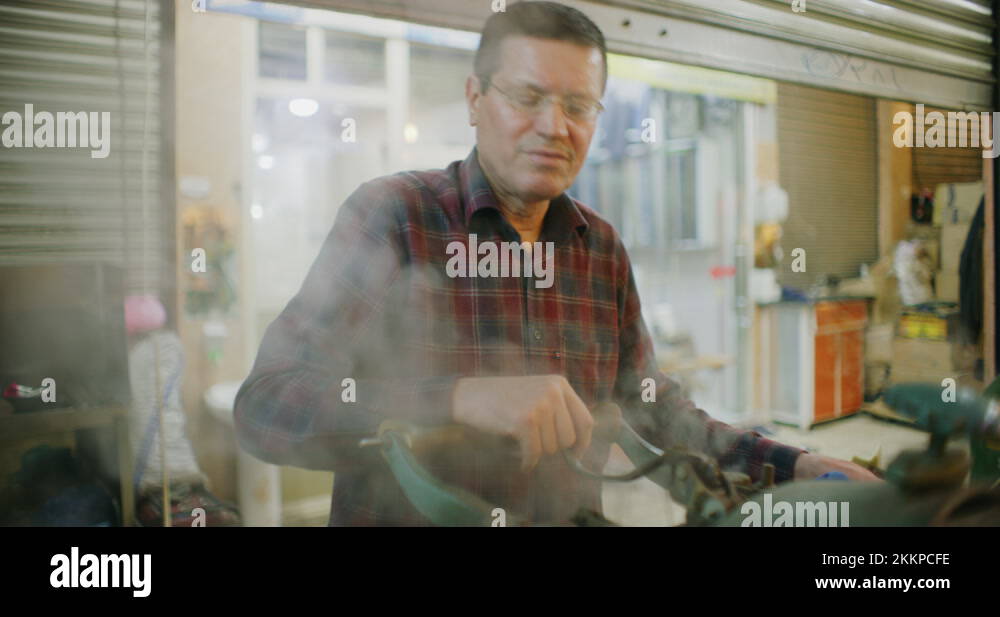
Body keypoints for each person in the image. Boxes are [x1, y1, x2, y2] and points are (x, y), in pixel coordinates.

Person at [234, 1, 877, 526]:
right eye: (527, 96)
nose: (554, 127)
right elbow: (266, 406)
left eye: (578, 106)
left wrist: (792, 465)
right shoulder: (395, 217)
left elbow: (654, 407)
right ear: (474, 98)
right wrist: (457, 399)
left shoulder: (599, 249)